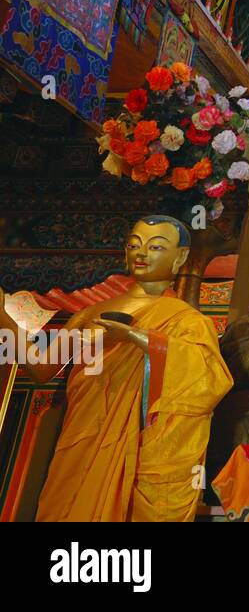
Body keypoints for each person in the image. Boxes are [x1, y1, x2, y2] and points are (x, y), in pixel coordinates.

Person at [0, 215, 233, 521]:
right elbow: (41, 368)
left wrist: (136, 337)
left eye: (156, 247)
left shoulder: (187, 321)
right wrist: (3, 317)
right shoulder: (89, 314)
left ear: (180, 258)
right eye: (134, 245)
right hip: (81, 439)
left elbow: (208, 380)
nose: (142, 253)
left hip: (135, 450)